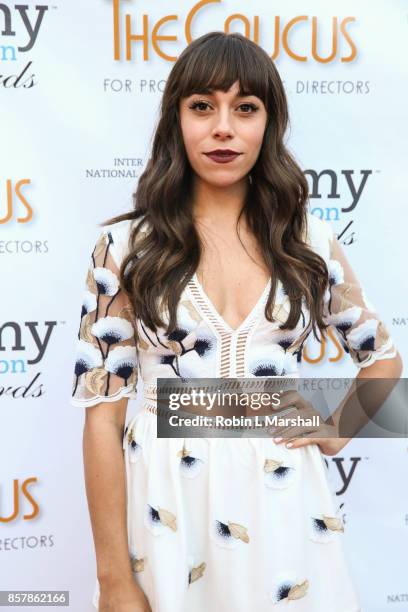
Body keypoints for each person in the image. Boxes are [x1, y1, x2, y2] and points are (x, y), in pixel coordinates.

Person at [70, 32, 402, 612]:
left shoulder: (307, 241)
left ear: (267, 126)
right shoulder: (123, 246)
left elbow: (384, 360)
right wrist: (113, 579)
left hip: (287, 505)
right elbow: (102, 421)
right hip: (168, 508)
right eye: (202, 106)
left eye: (245, 108)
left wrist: (336, 426)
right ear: (176, 121)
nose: (223, 127)